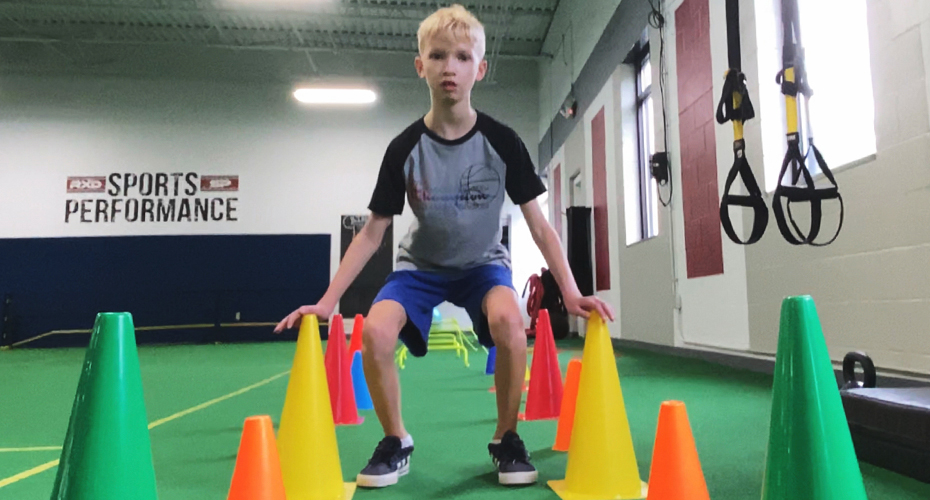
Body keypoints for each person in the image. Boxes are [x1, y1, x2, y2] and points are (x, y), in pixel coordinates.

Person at [274, 3, 615, 489]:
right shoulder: (404, 148)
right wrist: (328, 302)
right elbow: (373, 231)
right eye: (437, 56)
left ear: (480, 69)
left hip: (483, 266)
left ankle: (506, 437)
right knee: (374, 331)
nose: (448, 67)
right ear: (420, 67)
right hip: (419, 268)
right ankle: (396, 440)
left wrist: (574, 291)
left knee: (511, 324)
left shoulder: (503, 142)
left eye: (461, 57)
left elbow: (540, 226)